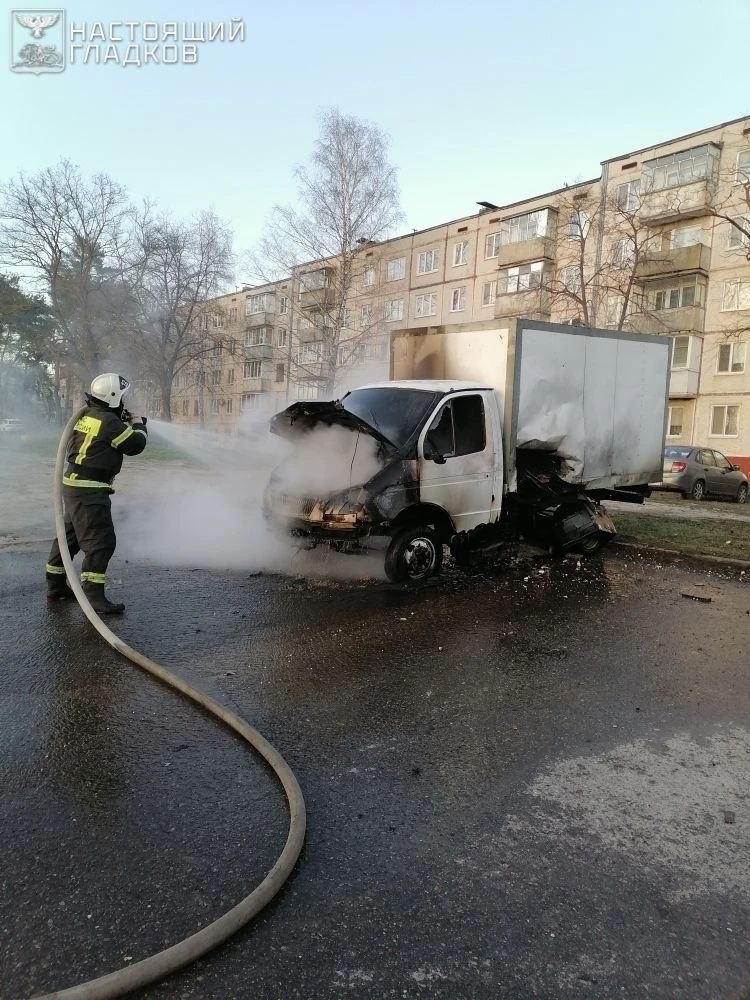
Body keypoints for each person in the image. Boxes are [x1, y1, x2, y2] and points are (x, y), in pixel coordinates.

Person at [45, 373, 148, 614]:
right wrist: (140, 425)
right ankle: (93, 597)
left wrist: (117, 417)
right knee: (100, 542)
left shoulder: (89, 415)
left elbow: (99, 433)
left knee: (68, 539)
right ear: (112, 397)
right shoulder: (109, 423)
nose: (124, 400)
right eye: (122, 396)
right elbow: (135, 445)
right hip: (90, 490)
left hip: (73, 485)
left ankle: (56, 587)